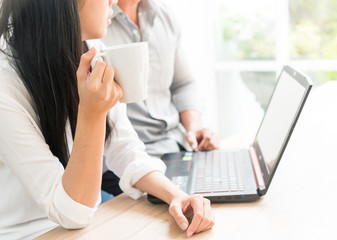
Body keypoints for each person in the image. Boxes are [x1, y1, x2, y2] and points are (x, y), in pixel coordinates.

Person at [0, 0, 214, 239]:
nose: (114, 0)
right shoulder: (5, 88)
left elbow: (126, 150)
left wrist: (177, 196)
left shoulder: (91, 50)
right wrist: (93, 113)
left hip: (82, 227)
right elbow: (71, 212)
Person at [100, 0, 220, 196]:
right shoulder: (94, 24)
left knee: (220, 189)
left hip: (175, 147)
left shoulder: (163, 14)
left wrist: (195, 128)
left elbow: (183, 84)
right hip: (123, 163)